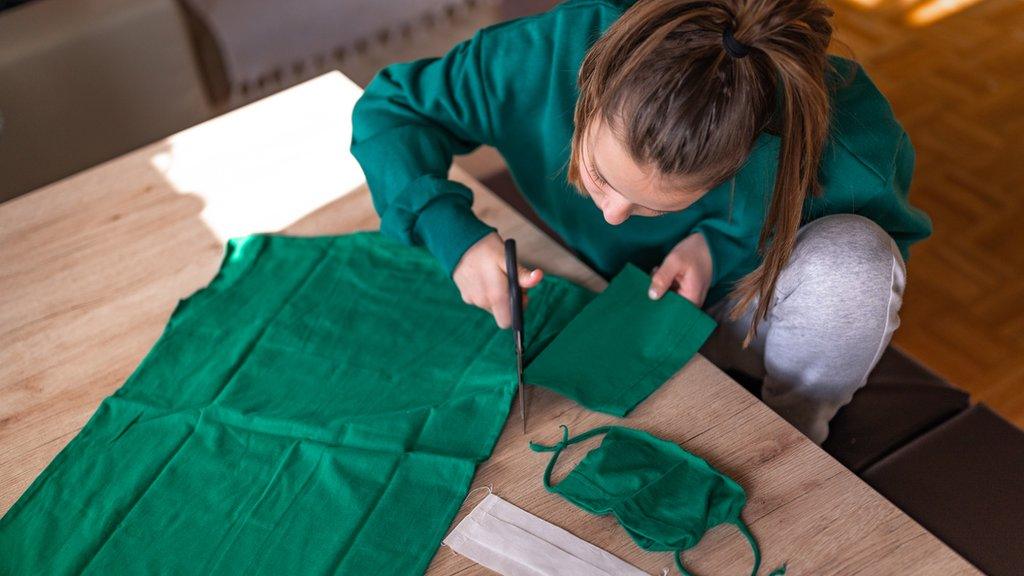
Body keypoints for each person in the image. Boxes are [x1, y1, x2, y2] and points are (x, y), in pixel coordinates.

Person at [350, 0, 931, 444]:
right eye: (601, 175)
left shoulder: (850, 146)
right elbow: (392, 111)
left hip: (751, 313)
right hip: (598, 290)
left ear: (743, 157)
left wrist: (720, 248)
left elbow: (865, 295)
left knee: (856, 262)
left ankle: (792, 432)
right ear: (589, 83)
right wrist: (452, 235)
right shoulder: (546, 51)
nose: (611, 215)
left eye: (653, 205)